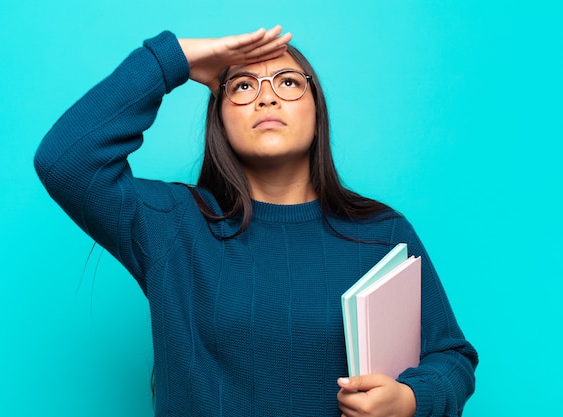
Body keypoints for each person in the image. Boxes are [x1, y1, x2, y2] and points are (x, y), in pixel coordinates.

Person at [35, 25, 478, 416]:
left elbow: (450, 357)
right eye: (242, 86)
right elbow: (65, 160)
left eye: (287, 82)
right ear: (219, 118)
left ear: (317, 110)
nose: (266, 95)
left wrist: (410, 401)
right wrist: (176, 59)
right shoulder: (174, 225)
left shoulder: (383, 233)